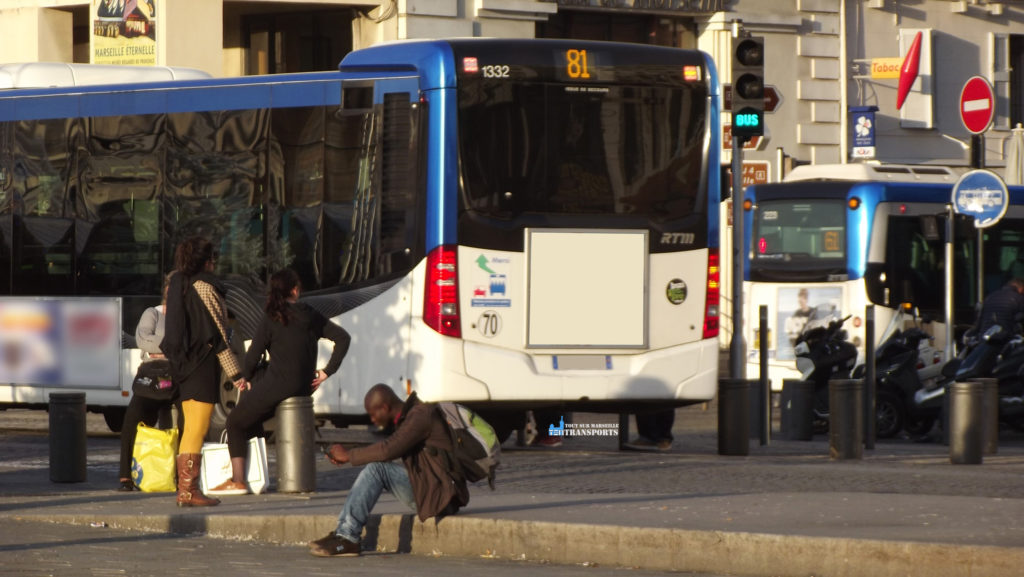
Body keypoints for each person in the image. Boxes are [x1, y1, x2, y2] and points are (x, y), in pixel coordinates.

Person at [209, 268, 352, 496]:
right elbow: (343, 338)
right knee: (252, 417)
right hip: (304, 386)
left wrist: (243, 377)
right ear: (295, 290)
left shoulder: (272, 318)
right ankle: (256, 475)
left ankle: (238, 480)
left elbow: (253, 355)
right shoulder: (310, 314)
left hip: (279, 385)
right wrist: (327, 372)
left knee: (235, 421)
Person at [309, 384, 469, 557]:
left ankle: (348, 537)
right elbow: (388, 447)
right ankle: (343, 533)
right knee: (377, 468)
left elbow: (387, 450)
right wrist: (349, 451)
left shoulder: (421, 416)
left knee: (376, 470)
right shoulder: (410, 417)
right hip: (432, 490)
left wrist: (348, 455)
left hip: (442, 497)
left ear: (384, 408)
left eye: (373, 414)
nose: (372, 420)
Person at [161, 236, 248, 507]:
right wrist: (236, 374)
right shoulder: (205, 287)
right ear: (205, 261)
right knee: (197, 429)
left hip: (184, 365)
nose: (214, 263)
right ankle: (188, 491)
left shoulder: (178, 284)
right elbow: (219, 333)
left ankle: (187, 489)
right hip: (202, 366)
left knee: (190, 427)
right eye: (212, 258)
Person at [116, 274, 182, 491]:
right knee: (132, 418)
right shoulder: (152, 313)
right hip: (152, 375)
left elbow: (188, 344)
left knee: (187, 420)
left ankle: (182, 474)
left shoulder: (185, 316)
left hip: (177, 374)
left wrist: (158, 348)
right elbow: (143, 338)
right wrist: (171, 348)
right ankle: (126, 476)